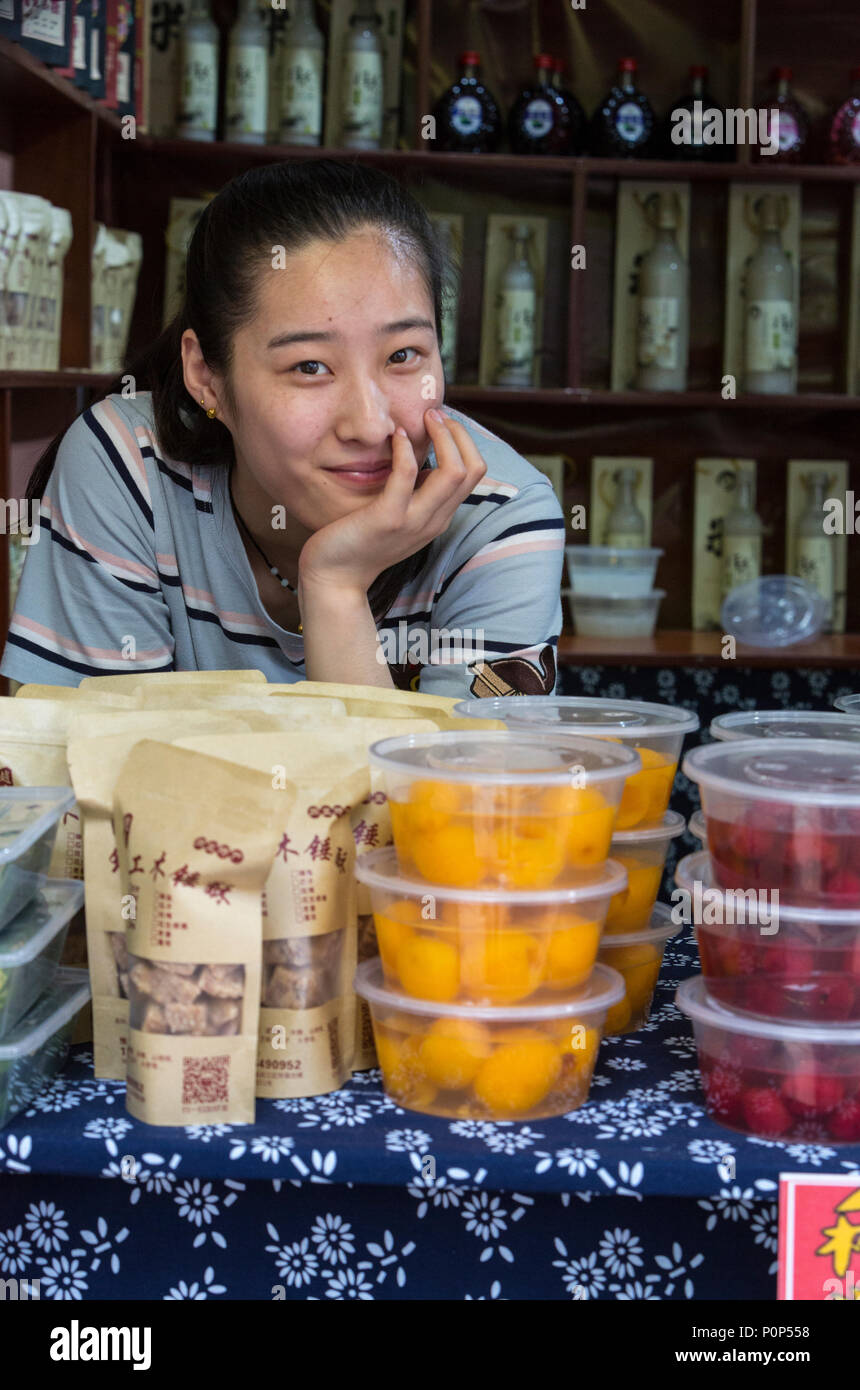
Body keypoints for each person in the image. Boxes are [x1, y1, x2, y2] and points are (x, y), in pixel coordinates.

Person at [1, 158, 564, 699]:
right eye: (309, 367)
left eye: (403, 356)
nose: (370, 424)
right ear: (205, 375)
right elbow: (80, 765)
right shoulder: (130, 468)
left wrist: (336, 588)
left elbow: (453, 795)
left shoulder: (499, 515)